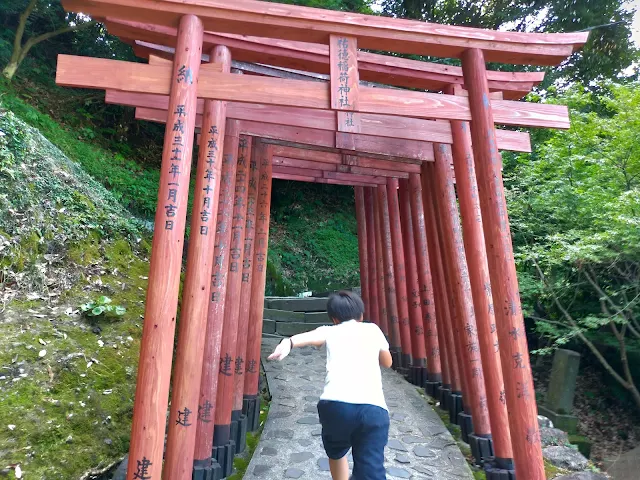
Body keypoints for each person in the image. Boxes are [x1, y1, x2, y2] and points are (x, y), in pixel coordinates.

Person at [268, 290, 393, 480]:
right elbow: (387, 362)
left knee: (337, 452)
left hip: (335, 406)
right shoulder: (373, 330)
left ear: (334, 318)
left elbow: (307, 337)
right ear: (361, 315)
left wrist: (288, 342)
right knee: (371, 466)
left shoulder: (330, 331)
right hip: (373, 409)